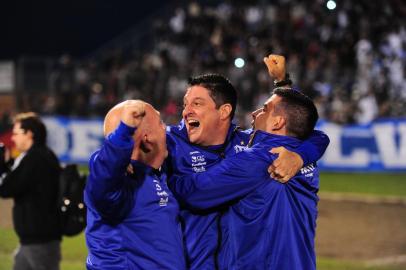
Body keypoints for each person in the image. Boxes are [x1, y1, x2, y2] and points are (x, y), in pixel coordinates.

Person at [165, 55, 330, 269]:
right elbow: (309, 129)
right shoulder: (168, 140)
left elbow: (196, 193)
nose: (186, 111)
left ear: (224, 111)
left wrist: (165, 181)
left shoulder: (253, 151)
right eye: (185, 104)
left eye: (197, 103)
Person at [84, 100, 185, 269]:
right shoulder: (121, 184)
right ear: (146, 138)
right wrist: (125, 130)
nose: (166, 129)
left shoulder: (156, 174)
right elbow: (104, 175)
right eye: (161, 123)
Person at [0, 112, 61, 270]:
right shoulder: (40, 156)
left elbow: (6, 188)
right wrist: (7, 165)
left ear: (29, 134)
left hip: (40, 242)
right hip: (33, 241)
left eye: (16, 133)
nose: (12, 138)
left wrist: (2, 167)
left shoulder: (35, 158)